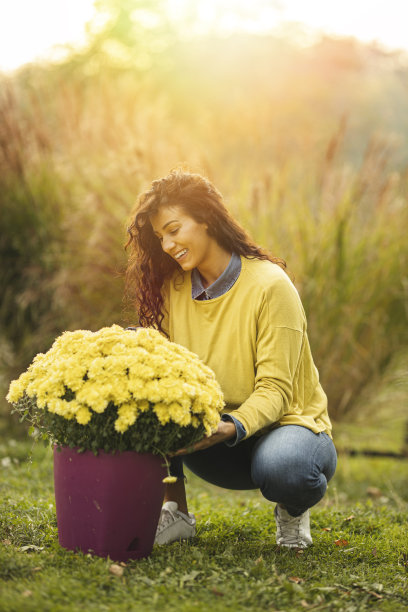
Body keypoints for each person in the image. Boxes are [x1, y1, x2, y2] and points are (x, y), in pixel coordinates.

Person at [125, 169, 337, 549]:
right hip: (216, 440)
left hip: (286, 429)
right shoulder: (174, 288)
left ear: (206, 219)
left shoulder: (270, 286)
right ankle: (174, 512)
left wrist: (228, 427)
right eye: (160, 237)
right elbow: (168, 374)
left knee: (287, 469)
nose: (168, 245)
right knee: (141, 382)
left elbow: (275, 390)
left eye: (174, 229)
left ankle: (292, 510)